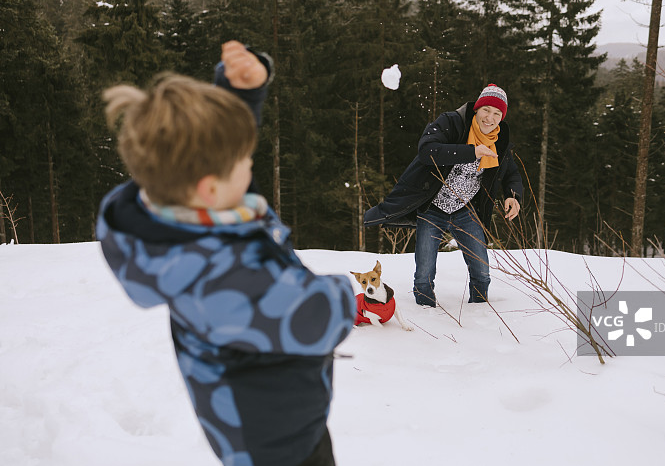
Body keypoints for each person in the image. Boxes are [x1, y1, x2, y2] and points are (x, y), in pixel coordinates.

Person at [96, 41, 355, 466]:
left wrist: (242, 94)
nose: (250, 167)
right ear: (209, 189)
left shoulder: (183, 219)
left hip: (271, 409)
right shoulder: (218, 279)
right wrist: (344, 293)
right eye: (245, 161)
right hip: (274, 442)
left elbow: (215, 157)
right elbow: (315, 317)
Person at [364, 84, 524, 307]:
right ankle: (426, 312)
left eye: (497, 113)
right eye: (486, 110)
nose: (490, 118)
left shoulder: (499, 140)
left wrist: (513, 195)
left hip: (466, 210)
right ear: (477, 109)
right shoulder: (452, 122)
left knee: (481, 271)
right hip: (433, 208)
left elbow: (511, 172)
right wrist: (471, 151)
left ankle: (479, 312)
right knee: (424, 274)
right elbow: (427, 150)